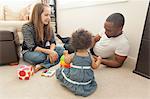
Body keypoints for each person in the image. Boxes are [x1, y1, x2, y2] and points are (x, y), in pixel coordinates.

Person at [56, 29, 101, 97]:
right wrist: (99, 60)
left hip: (74, 77)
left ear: (73, 44)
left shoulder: (74, 55)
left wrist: (65, 54)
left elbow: (66, 61)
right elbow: (95, 67)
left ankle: (72, 84)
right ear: (89, 44)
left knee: (59, 71)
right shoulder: (90, 56)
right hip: (86, 79)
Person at [22, 3, 64, 72]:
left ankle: (42, 65)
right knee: (40, 57)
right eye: (46, 15)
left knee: (62, 50)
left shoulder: (48, 26)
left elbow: (53, 42)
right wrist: (50, 52)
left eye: (49, 15)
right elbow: (32, 47)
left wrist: (52, 51)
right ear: (37, 15)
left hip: (44, 49)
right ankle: (49, 61)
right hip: (30, 51)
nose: (49, 18)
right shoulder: (27, 27)